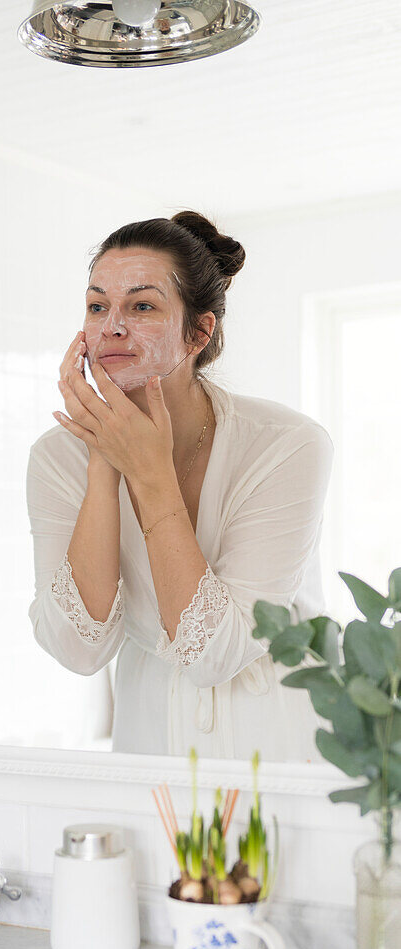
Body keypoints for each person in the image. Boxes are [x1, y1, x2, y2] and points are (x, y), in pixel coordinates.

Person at [27, 212, 333, 760]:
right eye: (98, 305)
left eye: (141, 306)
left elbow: (217, 654)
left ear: (199, 332)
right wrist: (104, 462)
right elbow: (77, 650)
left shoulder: (287, 445)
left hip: (277, 736)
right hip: (153, 737)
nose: (111, 326)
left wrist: (148, 472)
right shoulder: (57, 458)